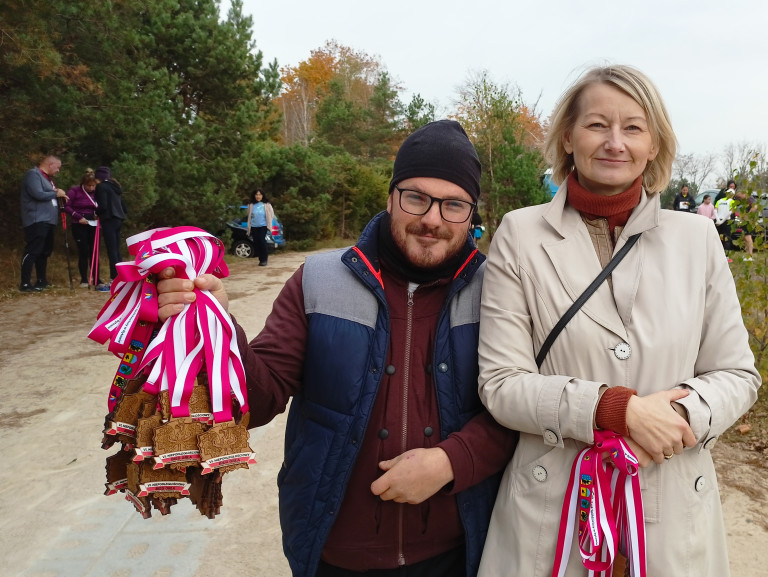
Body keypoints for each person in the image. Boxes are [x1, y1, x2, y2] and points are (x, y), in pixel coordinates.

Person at [156, 120, 517, 577]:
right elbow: (259, 399)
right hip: (336, 554)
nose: (432, 219)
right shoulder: (318, 280)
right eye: (416, 197)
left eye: (453, 205)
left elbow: (518, 409)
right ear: (390, 198)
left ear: (472, 214)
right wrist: (216, 326)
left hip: (461, 552)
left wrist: (451, 461)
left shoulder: (501, 291)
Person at [476, 65, 761, 577]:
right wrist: (615, 410)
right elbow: (501, 384)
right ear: (568, 137)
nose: (615, 142)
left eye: (633, 127)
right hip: (554, 504)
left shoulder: (697, 240)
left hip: (671, 500)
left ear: (654, 144)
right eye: (596, 125)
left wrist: (672, 422)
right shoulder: (519, 235)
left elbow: (737, 375)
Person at [20, 155, 67, 292]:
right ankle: (25, 283)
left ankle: (41, 280)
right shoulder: (33, 174)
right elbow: (38, 194)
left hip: (49, 220)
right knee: (33, 250)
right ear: (50, 164)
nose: (58, 170)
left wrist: (60, 197)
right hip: (36, 219)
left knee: (44, 251)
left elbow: (50, 195)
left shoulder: (48, 179)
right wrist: (56, 193)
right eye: (57, 167)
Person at [64, 172, 108, 289]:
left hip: (94, 223)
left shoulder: (98, 192)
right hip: (79, 223)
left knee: (94, 251)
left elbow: (102, 206)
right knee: (83, 251)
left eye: (93, 186)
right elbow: (67, 206)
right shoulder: (74, 191)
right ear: (83, 184)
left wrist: (98, 215)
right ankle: (84, 278)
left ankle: (96, 278)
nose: (91, 188)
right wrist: (78, 217)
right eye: (89, 186)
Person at [95, 166, 127, 283]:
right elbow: (124, 207)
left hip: (109, 219)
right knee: (117, 249)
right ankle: (122, 276)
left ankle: (114, 278)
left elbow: (102, 206)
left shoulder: (101, 187)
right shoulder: (115, 187)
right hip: (119, 218)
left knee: (111, 250)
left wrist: (95, 212)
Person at [246, 188, 275, 266]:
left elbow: (271, 214)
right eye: (256, 194)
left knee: (262, 241)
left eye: (260, 194)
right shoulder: (251, 205)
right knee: (256, 242)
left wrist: (268, 222)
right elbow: (249, 215)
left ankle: (264, 259)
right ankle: (260, 259)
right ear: (254, 196)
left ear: (262, 196)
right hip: (254, 226)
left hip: (263, 226)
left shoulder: (267, 204)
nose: (258, 196)